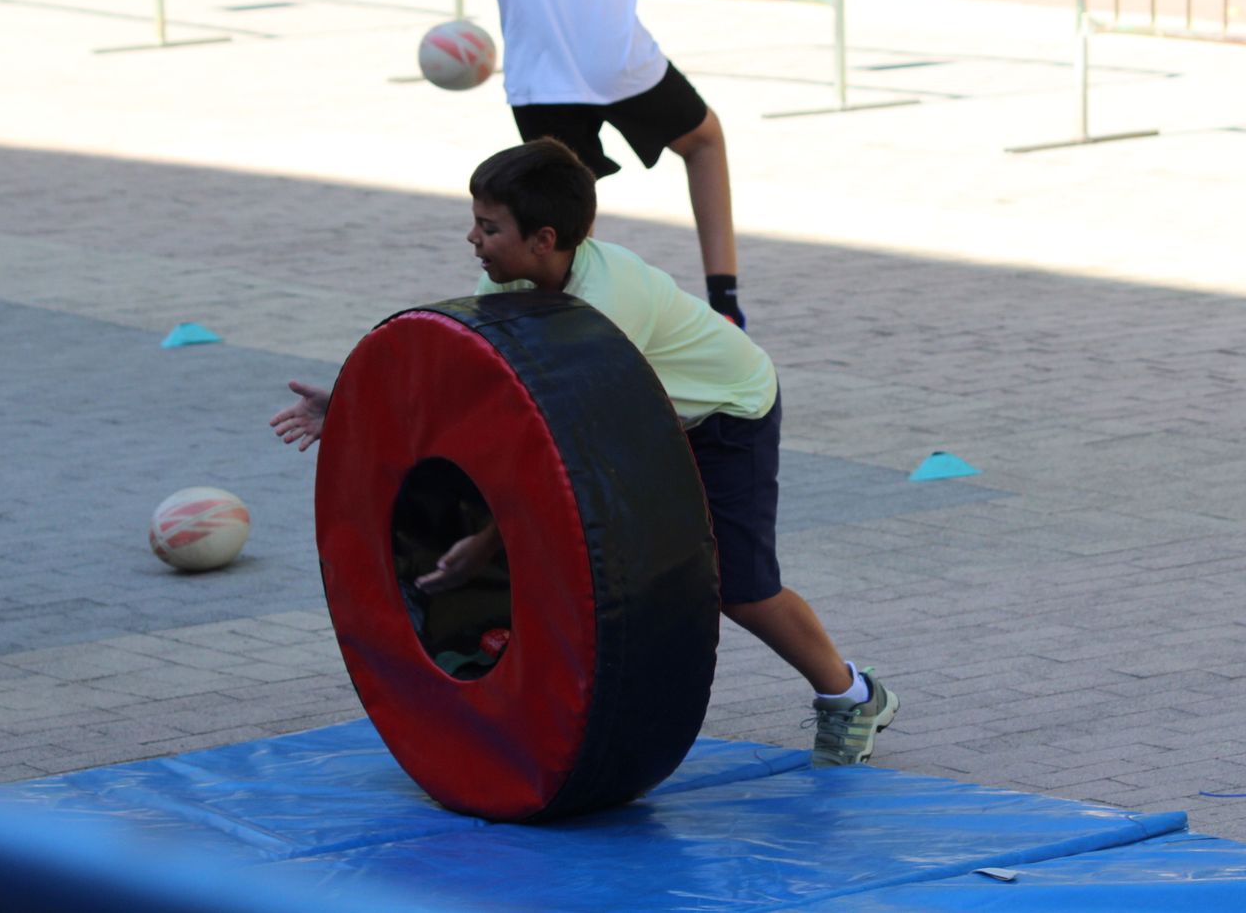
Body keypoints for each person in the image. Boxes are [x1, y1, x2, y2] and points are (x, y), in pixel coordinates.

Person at [270, 138, 898, 767]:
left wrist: (483, 544)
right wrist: (354, 408)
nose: (472, 239)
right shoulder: (510, 279)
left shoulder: (604, 311)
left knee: (740, 587)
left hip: (725, 413)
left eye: (489, 228)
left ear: (544, 239)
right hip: (640, 415)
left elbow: (550, 452)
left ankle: (851, 696)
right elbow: (466, 392)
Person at [241, 0, 746, 327]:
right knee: (703, 142)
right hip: (622, 61)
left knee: (567, 214)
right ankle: (724, 301)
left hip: (542, 77)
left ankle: (569, 323)